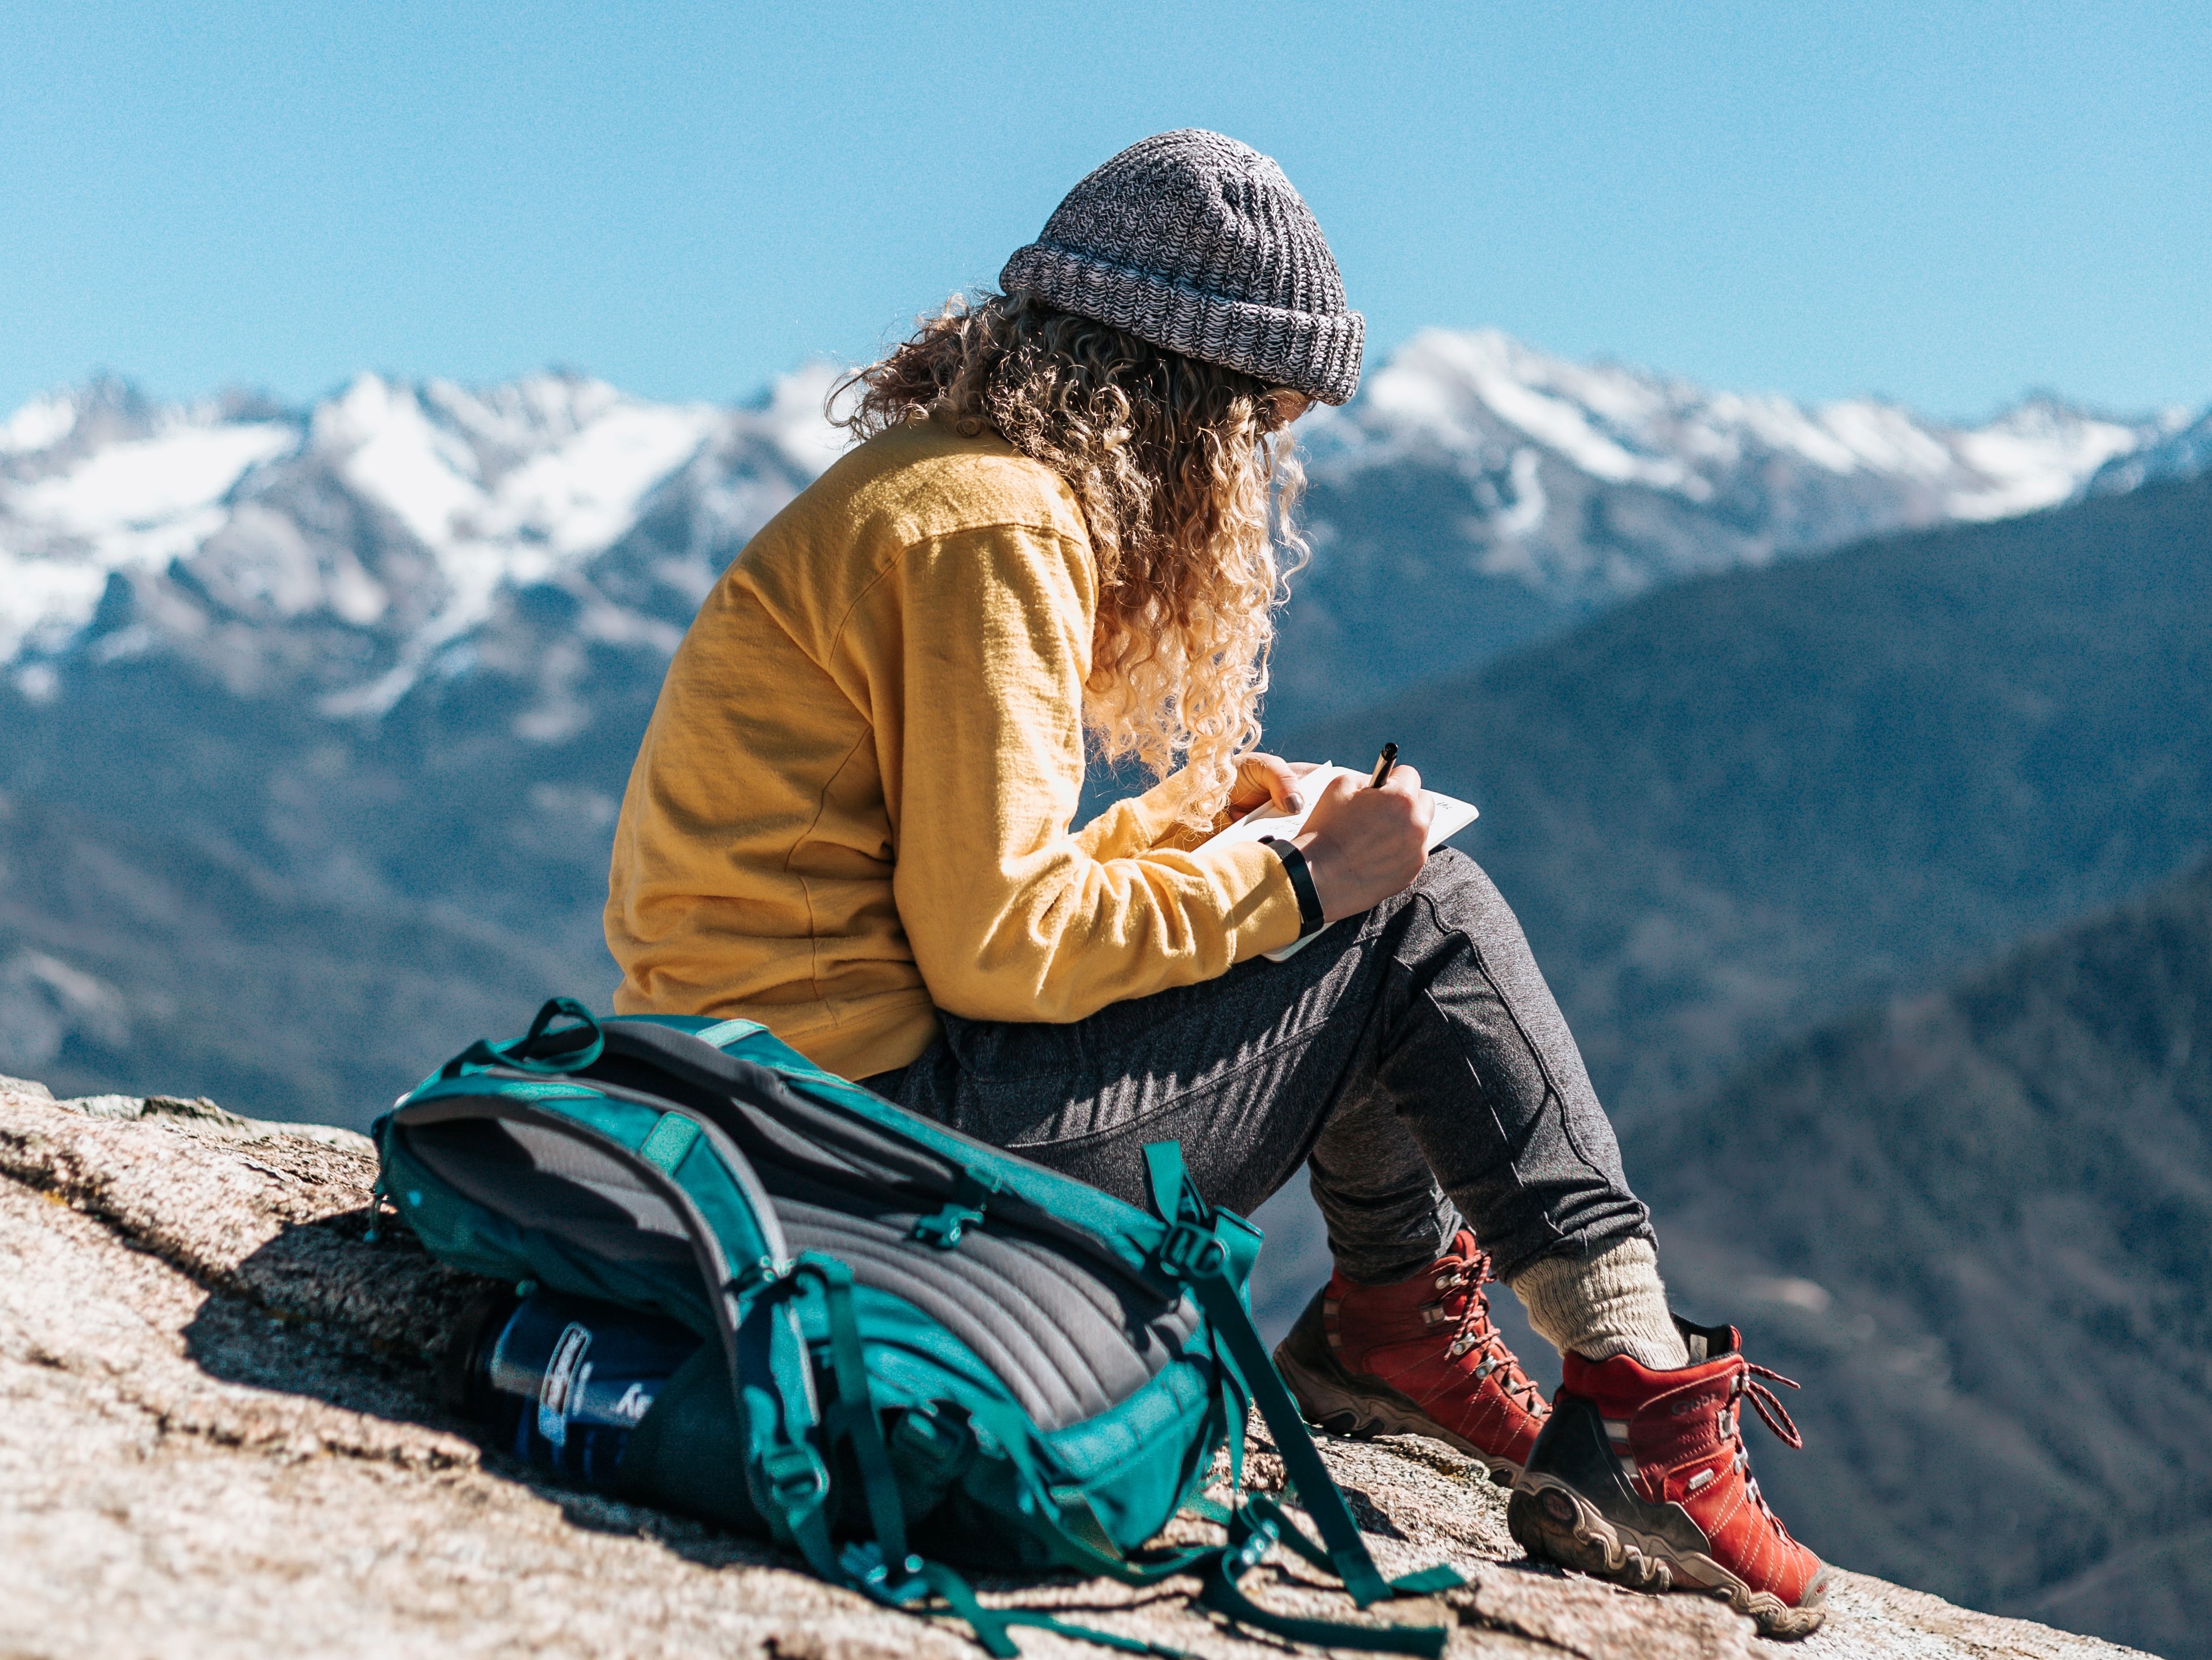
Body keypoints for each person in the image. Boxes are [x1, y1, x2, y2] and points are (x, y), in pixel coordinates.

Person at [604, 129, 1830, 1637]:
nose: (1259, 466)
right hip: (868, 1150)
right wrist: (1303, 888)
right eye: (1259, 421)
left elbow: (929, 892)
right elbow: (996, 949)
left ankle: (1397, 1325)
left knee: (1374, 898)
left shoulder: (927, 490)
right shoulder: (999, 527)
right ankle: (1641, 1409)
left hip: (767, 1108)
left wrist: (1193, 829)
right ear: (1178, 399)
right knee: (1417, 912)